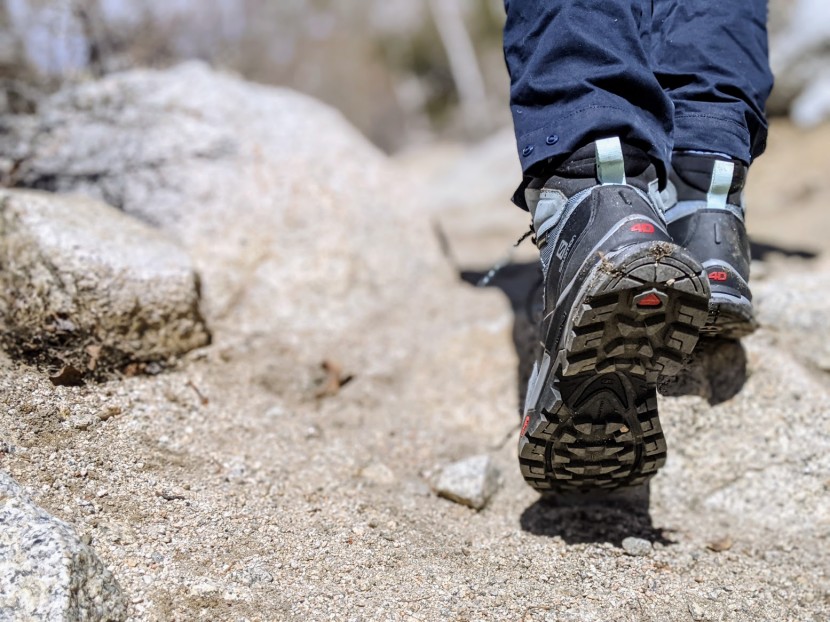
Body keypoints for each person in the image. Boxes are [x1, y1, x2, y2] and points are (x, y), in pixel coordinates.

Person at [504, 0, 773, 493]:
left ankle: (593, 186)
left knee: (593, 134)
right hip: (721, 193)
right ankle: (707, 208)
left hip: (590, 141)